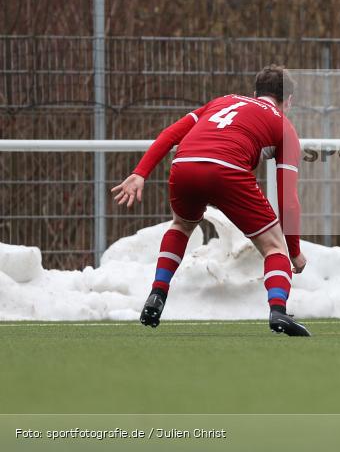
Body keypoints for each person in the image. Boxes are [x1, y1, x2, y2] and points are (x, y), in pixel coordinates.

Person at [111, 65, 311, 336]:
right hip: (227, 171)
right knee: (275, 247)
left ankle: (158, 291)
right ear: (288, 101)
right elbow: (288, 200)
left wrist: (140, 172)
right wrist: (294, 250)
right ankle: (278, 311)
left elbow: (171, 134)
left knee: (181, 226)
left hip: (184, 165)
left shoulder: (221, 101)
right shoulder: (283, 125)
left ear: (254, 93)